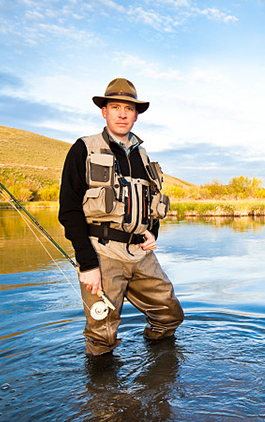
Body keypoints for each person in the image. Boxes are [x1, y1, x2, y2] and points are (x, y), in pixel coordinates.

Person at [59, 78, 184, 356]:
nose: (122, 113)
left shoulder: (143, 154)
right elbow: (68, 210)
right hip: (101, 254)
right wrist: (87, 264)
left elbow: (152, 202)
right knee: (102, 336)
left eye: (128, 108)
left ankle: (158, 374)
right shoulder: (83, 148)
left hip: (141, 253)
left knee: (169, 315)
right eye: (115, 107)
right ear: (104, 111)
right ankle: (104, 395)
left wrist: (153, 232)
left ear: (136, 115)